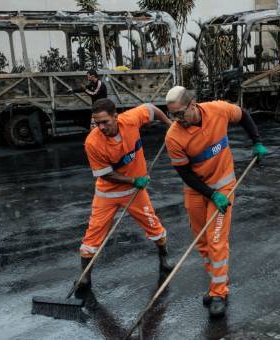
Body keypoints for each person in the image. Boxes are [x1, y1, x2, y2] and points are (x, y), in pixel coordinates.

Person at [164, 86, 268, 318]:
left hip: (223, 186)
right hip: (197, 189)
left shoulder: (217, 110)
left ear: (193, 104)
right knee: (202, 242)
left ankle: (219, 292)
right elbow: (185, 174)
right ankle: (216, 284)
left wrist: (256, 141)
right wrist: (210, 194)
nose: (176, 120)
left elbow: (243, 115)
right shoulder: (174, 136)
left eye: (180, 113)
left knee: (217, 239)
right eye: (172, 115)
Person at [78, 98, 174, 292]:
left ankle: (163, 256)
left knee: (153, 225)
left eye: (105, 121)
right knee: (93, 235)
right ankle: (85, 276)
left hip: (135, 192)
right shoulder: (92, 143)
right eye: (97, 123)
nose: (101, 127)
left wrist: (169, 124)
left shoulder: (130, 119)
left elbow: (151, 109)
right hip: (107, 193)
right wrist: (133, 180)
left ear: (116, 116)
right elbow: (106, 174)